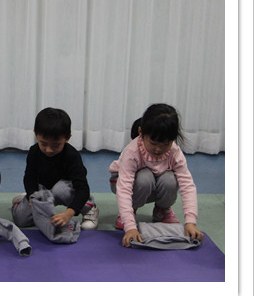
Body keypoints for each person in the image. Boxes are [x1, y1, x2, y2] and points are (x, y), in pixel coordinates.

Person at [109, 103, 205, 247]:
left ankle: (162, 210)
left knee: (170, 179)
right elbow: (124, 188)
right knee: (145, 177)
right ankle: (129, 212)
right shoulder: (132, 152)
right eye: (153, 142)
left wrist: (191, 222)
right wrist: (130, 227)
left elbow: (187, 185)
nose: (158, 149)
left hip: (155, 183)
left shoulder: (175, 152)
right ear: (141, 132)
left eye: (166, 143)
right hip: (122, 182)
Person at [11, 107, 99, 231]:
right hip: (43, 190)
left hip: (65, 190)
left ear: (67, 138)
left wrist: (69, 212)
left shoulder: (72, 156)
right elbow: (29, 178)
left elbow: (82, 188)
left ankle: (89, 207)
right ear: (35, 134)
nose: (49, 150)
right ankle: (22, 200)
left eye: (56, 145)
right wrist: (31, 195)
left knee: (60, 190)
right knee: (21, 220)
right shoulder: (34, 152)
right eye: (43, 144)